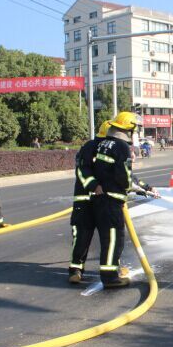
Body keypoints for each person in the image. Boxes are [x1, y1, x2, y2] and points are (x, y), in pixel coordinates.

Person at [91, 112, 159, 288]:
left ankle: (110, 274)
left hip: (101, 200)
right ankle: (110, 278)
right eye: (134, 130)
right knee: (115, 240)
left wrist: (145, 187)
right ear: (128, 128)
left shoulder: (104, 144)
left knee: (108, 239)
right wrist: (134, 188)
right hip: (112, 201)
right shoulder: (121, 146)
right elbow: (124, 176)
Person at [68, 120, 112, 284]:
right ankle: (76, 269)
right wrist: (94, 186)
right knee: (82, 236)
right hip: (85, 201)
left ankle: (111, 268)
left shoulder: (112, 148)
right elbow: (82, 170)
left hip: (104, 202)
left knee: (110, 237)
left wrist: (145, 187)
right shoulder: (89, 147)